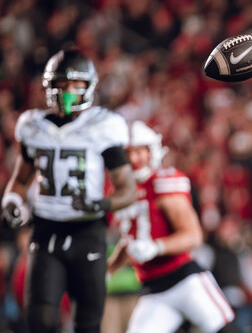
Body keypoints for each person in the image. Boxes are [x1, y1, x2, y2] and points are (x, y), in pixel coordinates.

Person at [1, 48, 137, 333]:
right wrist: (11, 200)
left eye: (76, 85)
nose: (68, 92)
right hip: (46, 230)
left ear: (89, 87)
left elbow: (128, 190)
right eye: (61, 85)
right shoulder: (33, 126)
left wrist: (98, 204)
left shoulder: (103, 126)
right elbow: (21, 178)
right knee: (40, 321)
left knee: (87, 324)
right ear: (49, 87)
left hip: (87, 232)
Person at [107, 121, 234, 333]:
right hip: (152, 289)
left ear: (151, 151)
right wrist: (108, 270)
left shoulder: (162, 183)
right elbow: (129, 240)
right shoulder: (123, 192)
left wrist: (157, 247)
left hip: (184, 280)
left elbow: (193, 236)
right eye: (128, 152)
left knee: (224, 330)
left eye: (139, 151)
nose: (133, 159)